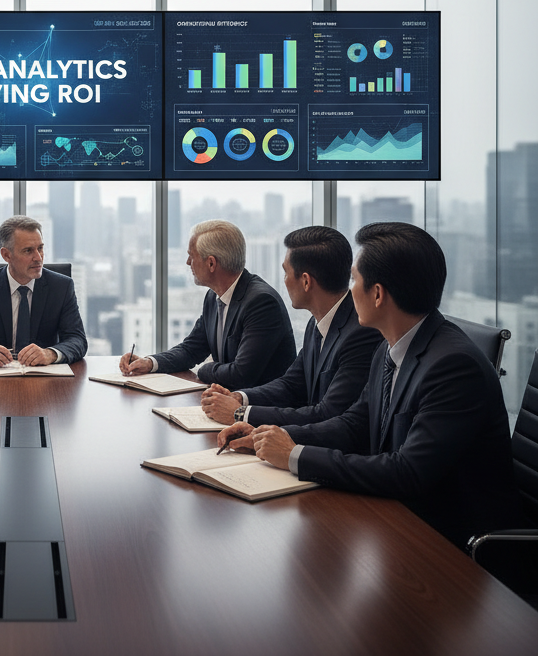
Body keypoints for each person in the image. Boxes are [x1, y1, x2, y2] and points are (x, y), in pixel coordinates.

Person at [218, 223, 519, 549]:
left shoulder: (454, 366)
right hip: (400, 520)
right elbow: (354, 425)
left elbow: (408, 472)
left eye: (355, 280)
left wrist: (294, 455)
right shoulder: (389, 348)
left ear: (377, 294)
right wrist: (268, 436)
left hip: (460, 548)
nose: (349, 291)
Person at [201, 226, 382, 426]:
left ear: (306, 282)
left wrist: (241, 414)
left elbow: (328, 413)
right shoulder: (317, 322)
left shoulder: (360, 334)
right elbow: (292, 384)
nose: (284, 281)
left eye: (286, 273)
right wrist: (240, 398)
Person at [119, 220, 294, 389]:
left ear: (211, 263)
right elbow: (191, 350)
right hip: (226, 402)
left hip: (258, 412)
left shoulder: (261, 303)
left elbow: (241, 374)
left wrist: (204, 369)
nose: (188, 263)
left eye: (191, 256)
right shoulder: (213, 296)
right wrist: (150, 363)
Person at [0, 215, 87, 366]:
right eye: (28, 251)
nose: (38, 258)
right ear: (6, 255)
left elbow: (77, 340)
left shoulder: (61, 287)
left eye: (40, 248)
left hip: (44, 378)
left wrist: (50, 354)